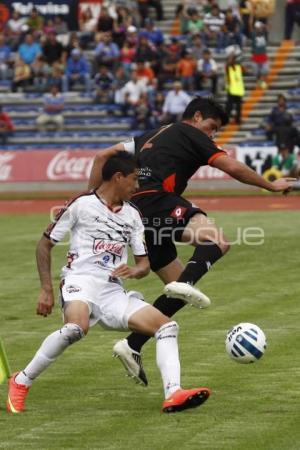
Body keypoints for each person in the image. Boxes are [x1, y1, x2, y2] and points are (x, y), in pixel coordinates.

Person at [87, 97, 296, 386]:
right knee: (218, 241)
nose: (211, 135)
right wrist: (271, 184)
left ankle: (132, 345)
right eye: (212, 127)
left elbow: (101, 157)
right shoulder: (191, 133)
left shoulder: (151, 134)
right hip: (156, 201)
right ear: (197, 117)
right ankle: (181, 289)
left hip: (133, 212)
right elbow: (232, 167)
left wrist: (90, 202)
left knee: (180, 285)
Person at [6, 152, 210, 414]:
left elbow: (144, 264)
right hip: (80, 280)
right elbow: (44, 245)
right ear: (118, 177)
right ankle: (21, 381)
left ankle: (173, 393)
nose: (137, 187)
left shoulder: (133, 215)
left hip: (112, 290)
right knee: (75, 328)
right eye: (134, 180)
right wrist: (46, 289)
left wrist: (136, 271)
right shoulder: (81, 204)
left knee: (167, 326)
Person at [225, 52, 245, 124]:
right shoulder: (228, 67)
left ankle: (238, 120)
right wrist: (232, 56)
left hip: (238, 90)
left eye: (234, 59)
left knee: (239, 106)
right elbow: (228, 64)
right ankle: (225, 119)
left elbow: (245, 71)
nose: (233, 60)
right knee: (229, 106)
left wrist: (239, 61)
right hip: (231, 89)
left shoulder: (238, 67)